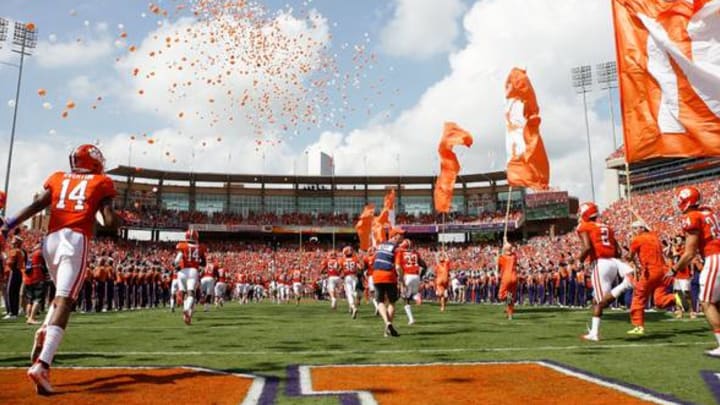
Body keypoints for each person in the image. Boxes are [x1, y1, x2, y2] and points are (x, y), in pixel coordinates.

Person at [1, 144, 117, 395]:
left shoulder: (57, 177)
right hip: (75, 239)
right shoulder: (101, 182)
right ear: (95, 162)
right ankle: (43, 364)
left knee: (60, 296)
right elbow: (110, 223)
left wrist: (8, 224)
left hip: (50, 240)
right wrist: (113, 215)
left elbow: (36, 206)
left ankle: (45, 328)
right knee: (66, 299)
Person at [669, 186, 720, 357]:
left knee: (706, 302)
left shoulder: (692, 216)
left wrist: (674, 269)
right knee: (716, 301)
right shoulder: (708, 212)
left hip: (715, 257)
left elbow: (690, 253)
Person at [576, 202, 633, 342]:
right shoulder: (607, 227)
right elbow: (618, 251)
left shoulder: (584, 226)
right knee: (597, 299)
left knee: (601, 302)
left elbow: (587, 247)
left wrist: (580, 261)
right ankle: (594, 332)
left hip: (600, 263)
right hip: (613, 262)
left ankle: (624, 286)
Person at [626, 221, 677, 335]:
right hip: (664, 271)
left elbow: (630, 256)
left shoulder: (638, 239)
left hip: (651, 271)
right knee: (659, 300)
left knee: (638, 296)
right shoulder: (654, 237)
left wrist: (628, 257)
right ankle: (675, 298)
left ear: (640, 228)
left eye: (634, 229)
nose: (633, 232)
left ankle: (638, 325)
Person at [372, 227, 405, 337]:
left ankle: (387, 323)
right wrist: (401, 279)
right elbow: (398, 266)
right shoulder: (397, 249)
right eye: (400, 234)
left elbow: (374, 260)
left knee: (380, 301)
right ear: (394, 235)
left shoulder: (380, 245)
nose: (403, 236)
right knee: (392, 302)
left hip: (376, 275)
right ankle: (388, 327)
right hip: (389, 275)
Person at [174, 229, 207, 325]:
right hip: (193, 271)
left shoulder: (182, 245)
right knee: (191, 293)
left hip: (182, 272)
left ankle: (186, 313)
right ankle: (187, 309)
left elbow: (177, 259)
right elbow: (204, 263)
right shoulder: (200, 247)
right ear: (196, 237)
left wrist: (175, 265)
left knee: (183, 293)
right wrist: (196, 261)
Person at [396, 239, 422, 325]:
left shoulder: (400, 253)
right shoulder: (416, 253)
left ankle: (411, 319)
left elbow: (398, 267)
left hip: (407, 276)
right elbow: (423, 265)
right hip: (416, 275)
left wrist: (401, 280)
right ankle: (417, 297)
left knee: (405, 298)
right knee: (413, 293)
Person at [23, 243, 47, 325]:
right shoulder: (40, 253)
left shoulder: (31, 253)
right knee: (37, 299)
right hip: (37, 277)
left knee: (30, 300)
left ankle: (28, 316)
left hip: (28, 278)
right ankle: (32, 318)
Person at [4, 234, 26, 319]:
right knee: (15, 293)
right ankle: (14, 312)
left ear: (17, 243)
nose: (12, 243)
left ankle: (12, 313)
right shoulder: (21, 251)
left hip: (14, 271)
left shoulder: (15, 251)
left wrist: (6, 260)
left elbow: (10, 263)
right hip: (18, 272)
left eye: (14, 242)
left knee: (10, 292)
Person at [497, 242, 519, 320]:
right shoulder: (514, 256)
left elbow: (499, 266)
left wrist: (503, 248)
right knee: (510, 296)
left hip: (507, 277)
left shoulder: (502, 257)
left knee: (501, 296)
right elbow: (510, 252)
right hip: (514, 277)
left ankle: (507, 298)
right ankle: (510, 314)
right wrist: (506, 243)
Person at [339, 246, 361, 319]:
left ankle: (353, 307)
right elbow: (360, 267)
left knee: (349, 294)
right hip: (354, 277)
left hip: (347, 277)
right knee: (354, 291)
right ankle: (356, 295)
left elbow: (338, 269)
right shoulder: (355, 259)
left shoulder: (342, 260)